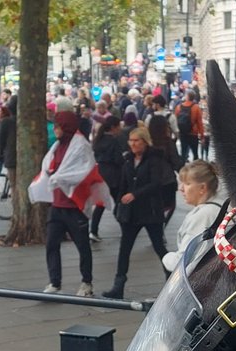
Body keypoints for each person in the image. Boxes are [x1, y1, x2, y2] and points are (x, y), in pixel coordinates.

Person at [28, 111, 108, 297]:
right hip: (57, 205)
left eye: (58, 125)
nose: (55, 129)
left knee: (82, 246)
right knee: (51, 245)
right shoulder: (56, 146)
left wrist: (57, 177)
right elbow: (50, 168)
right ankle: (54, 282)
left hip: (74, 207)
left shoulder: (81, 147)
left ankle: (86, 283)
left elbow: (83, 171)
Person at [105, 127, 169, 299]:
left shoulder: (154, 159)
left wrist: (135, 194)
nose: (132, 144)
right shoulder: (128, 159)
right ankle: (118, 285)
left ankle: (172, 281)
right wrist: (118, 206)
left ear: (145, 142)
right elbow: (123, 184)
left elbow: (156, 184)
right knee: (124, 249)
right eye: (130, 141)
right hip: (131, 214)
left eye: (136, 141)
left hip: (150, 211)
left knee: (159, 247)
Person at [162, 160, 223, 274]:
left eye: (187, 183)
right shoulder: (221, 206)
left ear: (202, 188)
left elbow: (182, 261)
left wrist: (166, 258)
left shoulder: (202, 216)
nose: (181, 188)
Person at [89, 114, 125, 242]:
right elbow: (118, 159)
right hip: (114, 175)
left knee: (101, 203)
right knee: (119, 202)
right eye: (119, 127)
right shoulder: (114, 141)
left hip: (101, 173)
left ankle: (93, 230)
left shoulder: (99, 140)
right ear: (113, 127)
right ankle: (125, 227)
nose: (120, 129)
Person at [174, 90, 204, 163]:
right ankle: (196, 169)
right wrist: (202, 135)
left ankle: (182, 170)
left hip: (183, 133)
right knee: (195, 153)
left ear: (186, 96)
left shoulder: (178, 107)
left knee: (183, 152)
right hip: (193, 133)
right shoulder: (196, 108)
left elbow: (175, 120)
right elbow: (200, 122)